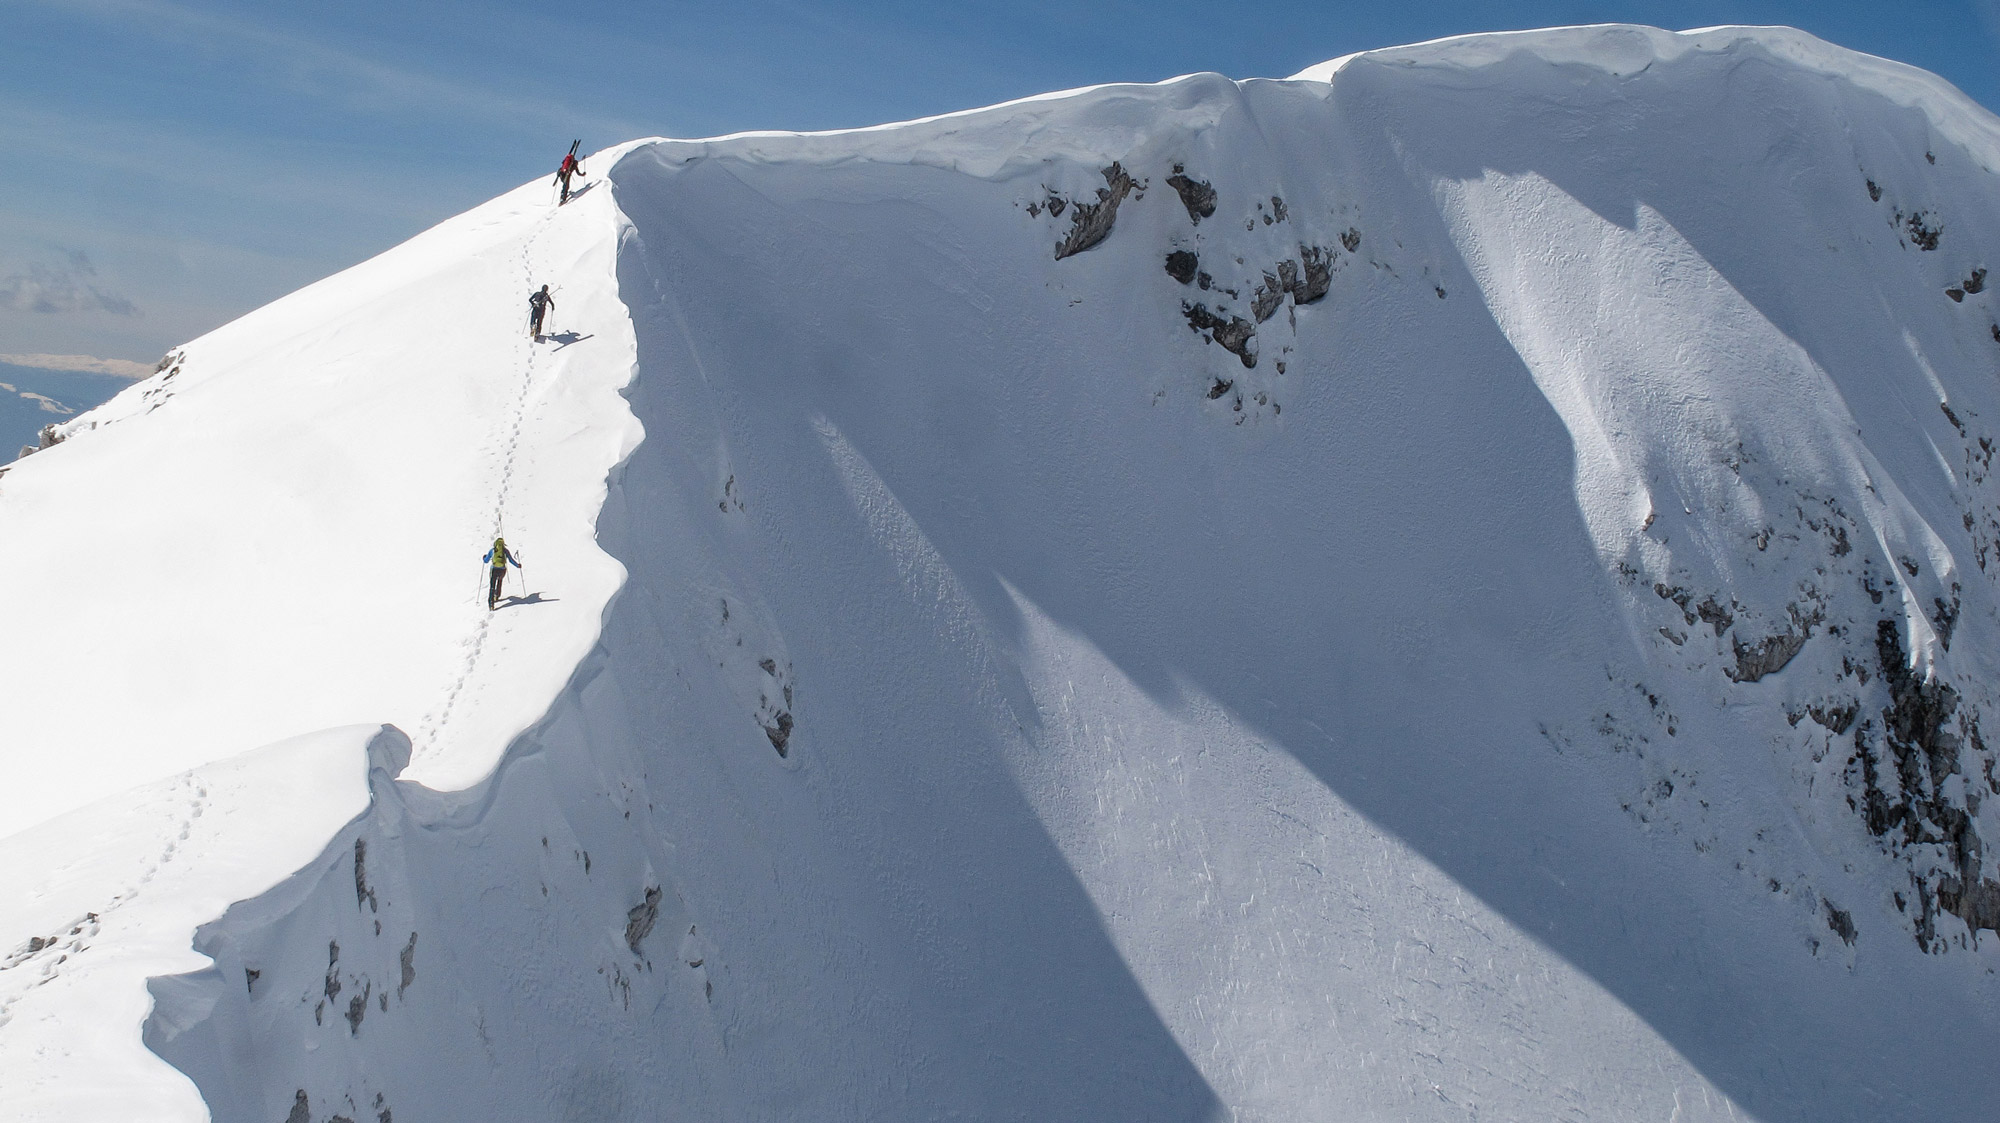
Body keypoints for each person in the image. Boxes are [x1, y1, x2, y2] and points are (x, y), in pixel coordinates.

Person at [483, 535, 522, 609]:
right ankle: (497, 596)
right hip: (502, 569)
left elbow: (486, 561)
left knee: (492, 585)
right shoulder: (505, 551)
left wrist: (484, 558)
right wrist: (518, 565)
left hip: (494, 569)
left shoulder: (492, 550)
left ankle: (491, 604)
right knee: (500, 581)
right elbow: (511, 560)